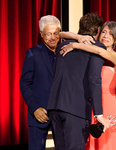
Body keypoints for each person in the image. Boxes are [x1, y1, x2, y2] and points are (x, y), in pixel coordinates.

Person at [60, 21, 116, 150]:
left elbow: (100, 52)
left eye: (111, 34)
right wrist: (79, 37)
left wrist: (75, 45)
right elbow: (61, 34)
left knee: (106, 141)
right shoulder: (92, 53)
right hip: (90, 102)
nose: (106, 36)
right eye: (104, 32)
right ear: (98, 33)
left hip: (107, 104)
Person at [47, 13, 110, 150]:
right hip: (76, 109)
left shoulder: (62, 45)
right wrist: (99, 114)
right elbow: (94, 80)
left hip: (55, 106)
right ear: (98, 30)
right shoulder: (97, 47)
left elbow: (59, 33)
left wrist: (76, 38)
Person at [20, 15, 61, 150]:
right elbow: (24, 83)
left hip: (61, 114)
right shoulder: (33, 53)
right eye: (48, 34)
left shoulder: (66, 52)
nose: (53, 37)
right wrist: (35, 108)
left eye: (56, 33)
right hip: (38, 114)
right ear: (41, 35)